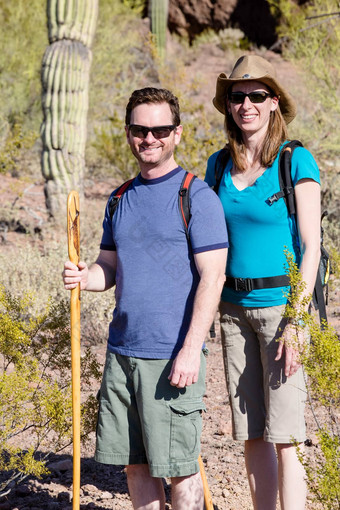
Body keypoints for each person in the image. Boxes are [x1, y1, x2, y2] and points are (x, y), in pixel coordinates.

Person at [63, 87, 228, 510]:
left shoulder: (196, 197)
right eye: (140, 129)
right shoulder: (120, 199)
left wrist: (191, 350)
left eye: (159, 130)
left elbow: (212, 278)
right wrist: (85, 276)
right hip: (121, 352)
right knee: (134, 465)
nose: (149, 139)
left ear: (177, 134)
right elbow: (110, 270)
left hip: (172, 355)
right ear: (128, 132)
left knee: (179, 466)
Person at [205, 55, 321, 510]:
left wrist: (297, 321)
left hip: (281, 312)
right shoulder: (218, 166)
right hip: (232, 311)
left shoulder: (295, 161)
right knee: (251, 433)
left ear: (273, 102)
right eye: (237, 96)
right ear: (228, 105)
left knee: (286, 435)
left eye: (256, 95)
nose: (246, 104)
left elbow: (311, 247)